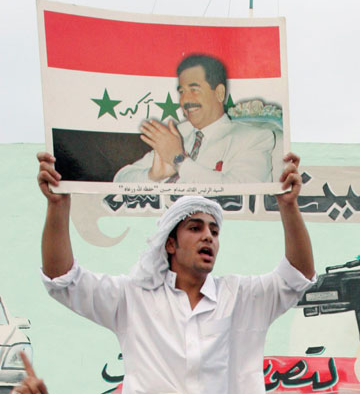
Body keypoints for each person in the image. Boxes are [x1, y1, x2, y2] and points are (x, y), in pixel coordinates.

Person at [37, 151, 315, 394]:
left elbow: (297, 276)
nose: (208, 237)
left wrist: (289, 205)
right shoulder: (134, 298)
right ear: (170, 244)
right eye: (195, 228)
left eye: (214, 231)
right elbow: (63, 280)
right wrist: (58, 206)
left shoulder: (241, 297)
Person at [113, 54, 276, 184]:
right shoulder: (177, 134)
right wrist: (153, 176)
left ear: (219, 93)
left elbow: (243, 192)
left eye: (194, 89)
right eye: (182, 92)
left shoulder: (254, 138)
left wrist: (179, 161)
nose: (185, 100)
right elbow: (121, 179)